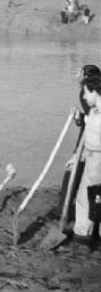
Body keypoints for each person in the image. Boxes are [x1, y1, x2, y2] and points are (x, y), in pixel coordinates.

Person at [60, 65, 101, 220]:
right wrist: (80, 118)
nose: (76, 74)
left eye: (79, 71)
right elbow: (89, 119)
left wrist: (77, 153)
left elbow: (90, 124)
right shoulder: (93, 99)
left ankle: (66, 211)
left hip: (91, 148)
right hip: (90, 144)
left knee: (75, 173)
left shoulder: (89, 96)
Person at [70, 76, 101, 252]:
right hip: (91, 158)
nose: (84, 97)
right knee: (87, 198)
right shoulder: (94, 112)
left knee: (90, 199)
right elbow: (88, 130)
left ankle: (84, 237)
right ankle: (83, 234)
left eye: (85, 93)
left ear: (94, 91)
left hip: (97, 163)